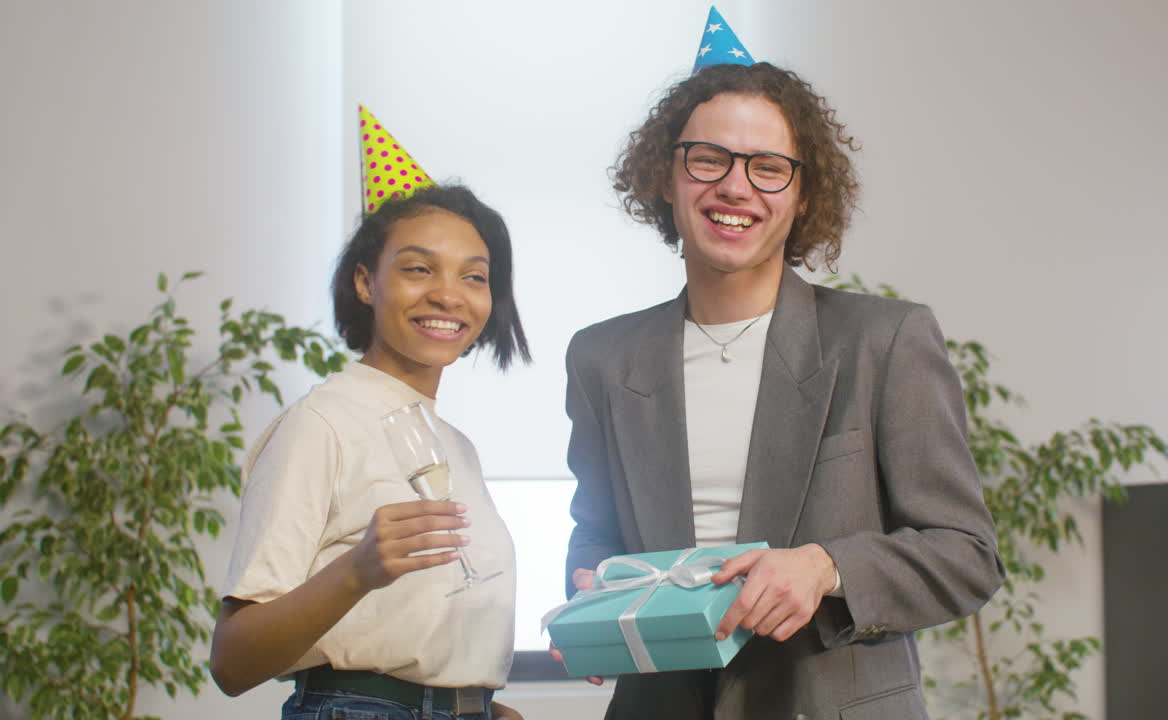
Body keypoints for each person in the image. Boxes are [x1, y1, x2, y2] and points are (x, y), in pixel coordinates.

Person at [561, 61, 1005, 720]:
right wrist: (592, 592)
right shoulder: (601, 357)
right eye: (708, 159)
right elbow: (596, 531)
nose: (735, 186)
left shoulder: (884, 340)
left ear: (802, 197)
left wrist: (826, 567)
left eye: (767, 167)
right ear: (665, 176)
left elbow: (967, 555)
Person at [211, 184, 530, 720]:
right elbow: (232, 662)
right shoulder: (321, 423)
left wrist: (482, 707)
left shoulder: (458, 447)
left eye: (473, 276)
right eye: (419, 269)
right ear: (365, 282)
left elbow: (408, 638)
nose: (449, 295)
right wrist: (357, 570)